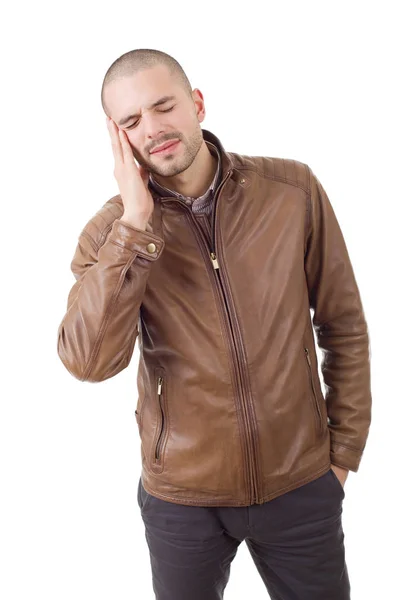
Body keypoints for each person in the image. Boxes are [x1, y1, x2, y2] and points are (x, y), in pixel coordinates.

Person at [57, 48, 372, 599]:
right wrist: (135, 225)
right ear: (117, 138)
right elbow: (88, 363)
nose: (153, 129)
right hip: (182, 500)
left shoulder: (291, 192)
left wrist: (343, 452)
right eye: (131, 122)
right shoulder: (110, 234)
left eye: (164, 106)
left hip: (299, 483)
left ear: (196, 103)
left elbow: (343, 323)